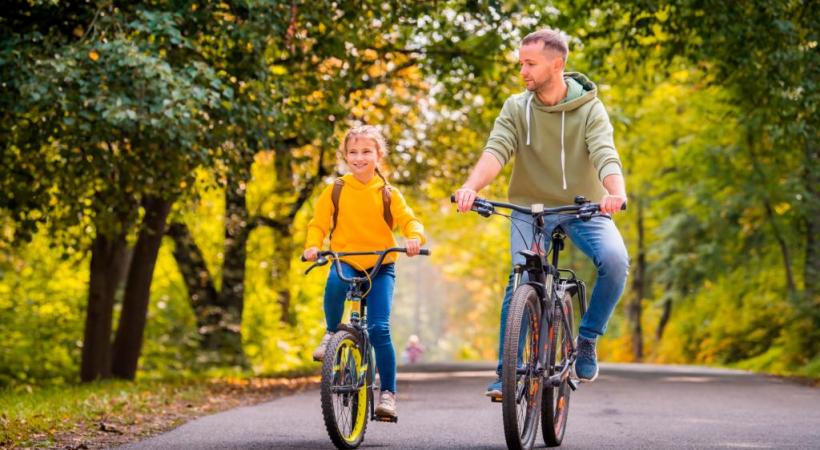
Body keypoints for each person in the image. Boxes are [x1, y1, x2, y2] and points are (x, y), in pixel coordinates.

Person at [453, 29, 629, 398]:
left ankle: (587, 338)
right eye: (521, 63)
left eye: (530, 63)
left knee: (615, 260)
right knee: (520, 280)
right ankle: (509, 372)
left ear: (557, 64)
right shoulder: (516, 108)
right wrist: (472, 187)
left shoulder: (590, 109)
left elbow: (604, 152)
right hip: (529, 209)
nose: (523, 71)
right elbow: (496, 150)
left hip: (584, 209)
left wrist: (616, 192)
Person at [303, 124, 426, 419]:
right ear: (345, 156)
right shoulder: (336, 189)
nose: (360, 158)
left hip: (381, 266)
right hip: (346, 259)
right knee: (334, 282)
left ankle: (388, 394)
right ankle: (332, 331)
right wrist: (312, 245)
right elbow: (318, 223)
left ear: (379, 154)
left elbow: (410, 221)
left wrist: (414, 239)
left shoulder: (388, 193)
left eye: (366, 151)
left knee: (379, 329)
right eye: (353, 152)